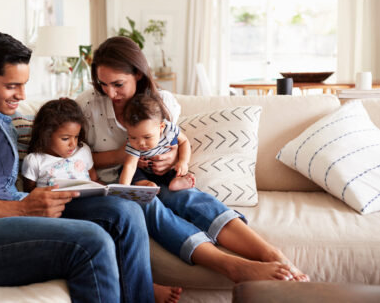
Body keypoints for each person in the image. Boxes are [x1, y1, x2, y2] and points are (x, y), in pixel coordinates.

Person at [0, 31, 181, 303]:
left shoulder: (1, 119)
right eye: (12, 86)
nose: (22, 96)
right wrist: (22, 209)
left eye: (24, 84)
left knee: (125, 211)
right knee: (91, 242)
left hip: (11, 211)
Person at [76, 36, 309, 283]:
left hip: (157, 175)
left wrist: (172, 158)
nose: (110, 93)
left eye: (118, 84)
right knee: (147, 205)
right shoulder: (88, 105)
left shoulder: (162, 102)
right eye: (103, 84)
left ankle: (273, 254)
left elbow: (175, 141)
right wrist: (122, 155)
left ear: (139, 75)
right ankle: (231, 266)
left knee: (189, 197)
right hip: (118, 184)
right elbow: (76, 159)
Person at [119, 91, 195, 191]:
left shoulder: (169, 130)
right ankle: (144, 183)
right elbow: (130, 166)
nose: (140, 143)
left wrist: (183, 161)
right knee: (124, 169)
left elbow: (184, 141)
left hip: (166, 169)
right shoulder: (133, 145)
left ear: (161, 127)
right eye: (133, 137)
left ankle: (176, 181)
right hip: (145, 172)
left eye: (147, 137)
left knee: (176, 170)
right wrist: (123, 189)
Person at [22, 98, 98, 191]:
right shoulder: (34, 160)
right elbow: (30, 194)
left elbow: (94, 180)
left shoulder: (83, 150)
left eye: (76, 137)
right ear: (46, 135)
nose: (73, 144)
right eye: (65, 139)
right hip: (57, 204)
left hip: (88, 201)